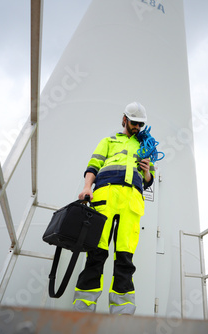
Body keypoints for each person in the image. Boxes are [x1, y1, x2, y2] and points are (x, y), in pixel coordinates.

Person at [73, 101, 155, 315]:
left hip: (131, 202)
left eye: (140, 124)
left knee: (125, 258)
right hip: (105, 198)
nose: (137, 127)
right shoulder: (108, 141)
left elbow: (149, 180)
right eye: (133, 123)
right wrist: (86, 188)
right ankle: (83, 311)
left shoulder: (145, 147)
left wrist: (147, 171)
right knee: (96, 254)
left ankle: (122, 315)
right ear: (124, 119)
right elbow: (93, 165)